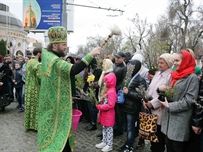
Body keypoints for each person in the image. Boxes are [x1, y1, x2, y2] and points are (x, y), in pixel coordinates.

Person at [37, 26, 101, 152]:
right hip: (55, 109)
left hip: (53, 105)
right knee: (58, 141)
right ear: (54, 46)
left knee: (61, 138)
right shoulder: (53, 60)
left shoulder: (48, 57)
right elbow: (73, 70)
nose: (66, 47)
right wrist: (91, 55)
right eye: (63, 44)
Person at [159, 50, 199, 152]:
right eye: (174, 60)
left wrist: (171, 106)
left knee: (177, 148)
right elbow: (169, 93)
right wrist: (161, 90)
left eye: (177, 60)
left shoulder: (192, 78)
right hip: (168, 120)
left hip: (179, 121)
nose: (174, 63)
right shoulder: (174, 75)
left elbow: (190, 100)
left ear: (185, 61)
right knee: (168, 146)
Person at [143, 53, 174, 152]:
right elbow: (150, 89)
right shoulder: (157, 73)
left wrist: (153, 103)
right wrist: (144, 99)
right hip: (150, 111)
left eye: (162, 63)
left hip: (160, 112)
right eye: (159, 62)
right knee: (152, 138)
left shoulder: (170, 76)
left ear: (168, 64)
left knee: (159, 140)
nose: (159, 65)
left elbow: (166, 94)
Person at [118, 59, 147, 152]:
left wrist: (128, 92)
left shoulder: (140, 79)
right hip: (125, 106)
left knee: (131, 128)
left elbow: (141, 96)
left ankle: (129, 146)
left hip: (132, 108)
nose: (128, 68)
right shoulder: (128, 77)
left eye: (131, 66)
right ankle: (128, 142)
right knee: (127, 127)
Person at [95, 72, 117, 152]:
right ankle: (104, 141)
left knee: (109, 129)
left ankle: (109, 144)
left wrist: (100, 107)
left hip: (109, 114)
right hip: (105, 113)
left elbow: (111, 105)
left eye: (106, 81)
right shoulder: (108, 90)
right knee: (104, 128)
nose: (105, 83)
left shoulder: (111, 92)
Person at [24, 48, 42, 131]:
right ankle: (35, 126)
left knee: (29, 105)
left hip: (28, 86)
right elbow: (40, 77)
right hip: (35, 87)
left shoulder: (30, 61)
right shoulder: (37, 64)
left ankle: (28, 125)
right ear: (38, 54)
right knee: (35, 106)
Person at [113, 51, 127, 137]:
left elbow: (124, 81)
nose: (116, 59)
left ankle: (119, 129)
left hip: (117, 92)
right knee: (114, 111)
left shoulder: (124, 68)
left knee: (118, 112)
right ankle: (115, 127)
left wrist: (118, 90)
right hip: (112, 90)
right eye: (116, 57)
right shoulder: (114, 65)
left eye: (118, 57)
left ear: (123, 58)